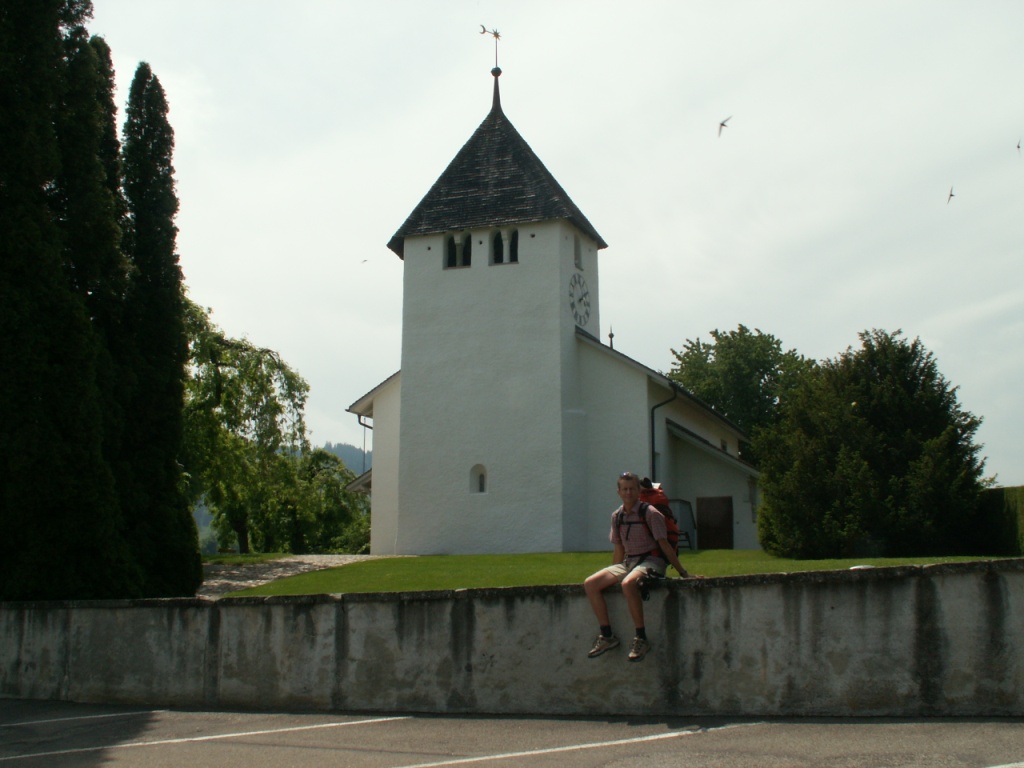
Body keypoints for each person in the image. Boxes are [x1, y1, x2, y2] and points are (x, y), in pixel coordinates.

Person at [583, 471, 695, 662]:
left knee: (628, 584)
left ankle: (641, 638)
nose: (628, 493)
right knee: (591, 584)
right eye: (624, 489)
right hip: (629, 562)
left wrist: (683, 573)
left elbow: (664, 545)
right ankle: (607, 635)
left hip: (652, 561)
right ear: (618, 492)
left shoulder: (650, 513)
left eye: (632, 489)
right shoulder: (617, 516)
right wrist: (613, 574)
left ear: (638, 491)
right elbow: (619, 548)